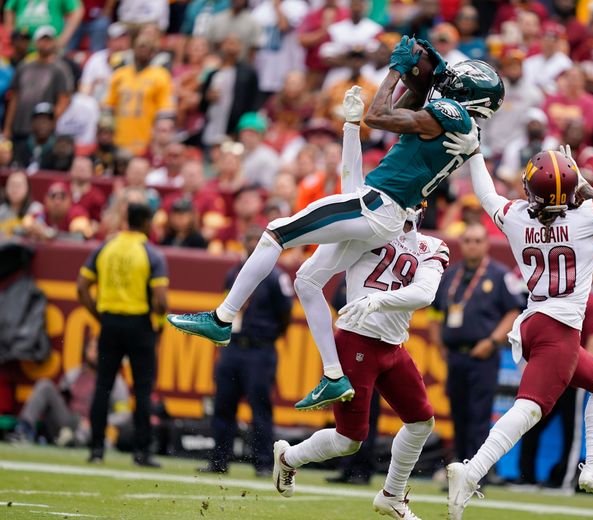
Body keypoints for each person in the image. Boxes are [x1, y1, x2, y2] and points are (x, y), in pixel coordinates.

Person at [167, 40, 504, 411]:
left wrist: (394, 70)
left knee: (276, 232)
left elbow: (379, 118)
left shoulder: (451, 115)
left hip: (377, 204)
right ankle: (332, 374)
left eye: (455, 80)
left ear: (467, 92)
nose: (447, 81)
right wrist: (415, 78)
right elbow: (400, 115)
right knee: (308, 281)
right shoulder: (456, 124)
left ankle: (222, 317)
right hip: (386, 212)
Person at [272, 105, 450, 520]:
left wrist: (378, 300)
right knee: (351, 439)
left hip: (393, 345)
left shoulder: (430, 247)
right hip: (357, 342)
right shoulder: (371, 226)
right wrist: (351, 129)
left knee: (421, 421)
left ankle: (393, 494)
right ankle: (290, 458)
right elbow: (350, 182)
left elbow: (424, 293)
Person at [446, 147, 593, 519]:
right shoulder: (586, 214)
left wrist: (475, 151)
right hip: (559, 329)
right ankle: (472, 471)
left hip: (535, 324)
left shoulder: (516, 217)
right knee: (530, 408)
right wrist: (583, 184)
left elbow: (486, 195)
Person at [76, 202, 168, 467]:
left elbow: (81, 288)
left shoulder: (106, 247)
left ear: (126, 220)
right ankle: (142, 453)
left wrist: (100, 317)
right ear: (148, 223)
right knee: (142, 389)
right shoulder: (151, 253)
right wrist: (159, 325)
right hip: (140, 325)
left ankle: (96, 450)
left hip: (110, 324)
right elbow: (161, 300)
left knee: (103, 386)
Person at [199, 225, 293, 476]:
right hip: (233, 348)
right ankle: (219, 460)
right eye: (250, 239)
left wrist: (267, 337)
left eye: (257, 239)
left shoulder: (275, 277)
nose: (253, 243)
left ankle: (263, 463)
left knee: (260, 408)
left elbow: (285, 314)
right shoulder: (233, 274)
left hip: (259, 350)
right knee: (223, 405)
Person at [430, 223, 526, 466]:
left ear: (486, 244)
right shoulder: (451, 275)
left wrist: (493, 341)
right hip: (454, 355)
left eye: (477, 241)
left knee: (479, 414)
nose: (472, 245)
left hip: (483, 355)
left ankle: (477, 470)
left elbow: (514, 311)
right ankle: (459, 466)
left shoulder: (500, 274)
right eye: (467, 240)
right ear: (461, 244)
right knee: (458, 413)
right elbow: (435, 314)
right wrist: (439, 344)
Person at [519, 293, 593, 489]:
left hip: (573, 375)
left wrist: (578, 373)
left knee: (571, 430)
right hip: (550, 372)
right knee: (531, 420)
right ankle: (526, 476)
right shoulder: (554, 297)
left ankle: (565, 480)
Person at [11, 337, 130, 447]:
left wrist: (97, 421)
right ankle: (24, 430)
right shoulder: (74, 374)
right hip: (68, 421)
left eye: (99, 349)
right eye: (92, 348)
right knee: (45, 385)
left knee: (92, 431)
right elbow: (60, 400)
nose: (95, 353)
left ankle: (74, 442)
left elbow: (123, 414)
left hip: (92, 427)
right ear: (85, 349)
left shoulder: (115, 381)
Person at [103, 33, 174, 155]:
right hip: (119, 137)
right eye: (141, 46)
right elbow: (109, 106)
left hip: (146, 139)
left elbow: (165, 112)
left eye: (147, 48)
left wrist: (157, 139)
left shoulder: (161, 76)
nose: (143, 51)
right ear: (133, 49)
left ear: (153, 53)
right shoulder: (120, 74)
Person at [3, 27, 71, 146]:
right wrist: (7, 127)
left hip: (43, 132)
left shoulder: (60, 69)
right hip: (20, 125)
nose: (45, 44)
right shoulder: (24, 66)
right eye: (42, 40)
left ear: (54, 42)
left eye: (49, 40)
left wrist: (49, 124)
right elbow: (14, 98)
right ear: (35, 43)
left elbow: (63, 100)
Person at [200, 35, 260, 147]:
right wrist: (208, 97)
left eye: (234, 43)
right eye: (228, 43)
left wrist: (241, 128)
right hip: (212, 127)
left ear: (241, 47)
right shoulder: (213, 73)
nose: (230, 47)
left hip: (234, 130)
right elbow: (202, 104)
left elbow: (253, 103)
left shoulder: (248, 73)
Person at [0, 170, 43, 236]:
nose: (14, 189)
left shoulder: (36, 210)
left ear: (28, 188)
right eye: (12, 185)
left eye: (18, 185)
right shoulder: (2, 211)